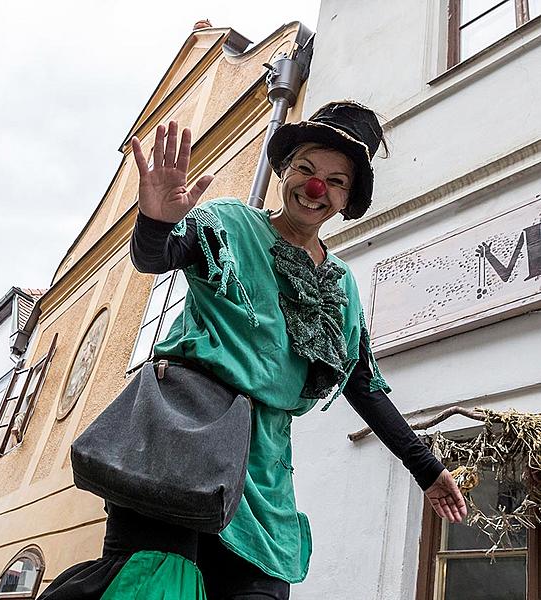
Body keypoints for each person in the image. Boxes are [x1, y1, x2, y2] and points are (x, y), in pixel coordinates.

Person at [40, 102, 468, 600]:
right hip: (182, 438)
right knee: (149, 585)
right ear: (284, 171)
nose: (315, 188)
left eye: (335, 181)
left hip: (262, 471)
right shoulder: (231, 223)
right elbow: (155, 256)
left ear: (347, 199)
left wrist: (427, 468)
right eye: (306, 170)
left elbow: (362, 386)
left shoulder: (342, 286)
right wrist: (156, 222)